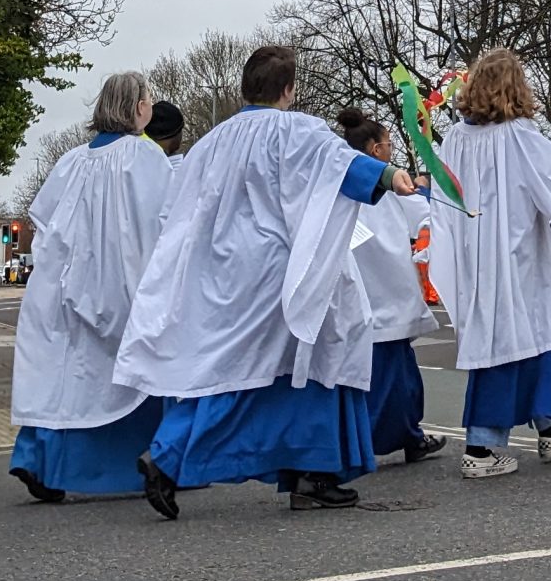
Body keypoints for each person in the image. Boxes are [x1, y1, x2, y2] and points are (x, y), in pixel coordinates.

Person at [115, 45, 415, 517]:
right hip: (282, 269)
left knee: (235, 369)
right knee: (315, 356)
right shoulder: (296, 129)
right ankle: (184, 460)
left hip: (228, 272)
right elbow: (341, 163)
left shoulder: (214, 140)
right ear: (289, 89)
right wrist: (390, 174)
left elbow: (181, 208)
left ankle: (300, 473)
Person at [423, 49, 551, 479]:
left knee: (530, 339)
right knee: (513, 344)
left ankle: (550, 427)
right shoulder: (520, 136)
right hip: (518, 256)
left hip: (476, 256)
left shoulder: (454, 140)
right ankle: (481, 448)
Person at [7, 72, 175, 503]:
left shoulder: (71, 160)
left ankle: (39, 460)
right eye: (149, 100)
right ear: (138, 107)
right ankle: (143, 464)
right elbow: (165, 222)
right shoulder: (146, 156)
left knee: (62, 378)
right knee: (129, 375)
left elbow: (43, 225)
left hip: (62, 286)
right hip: (120, 283)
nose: (151, 107)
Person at [335, 108, 445, 464]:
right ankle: (369, 442)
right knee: (390, 381)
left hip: (362, 296)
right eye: (387, 144)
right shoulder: (393, 188)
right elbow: (427, 215)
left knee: (394, 377)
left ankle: (409, 436)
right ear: (374, 150)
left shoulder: (339, 185)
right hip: (388, 295)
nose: (391, 149)